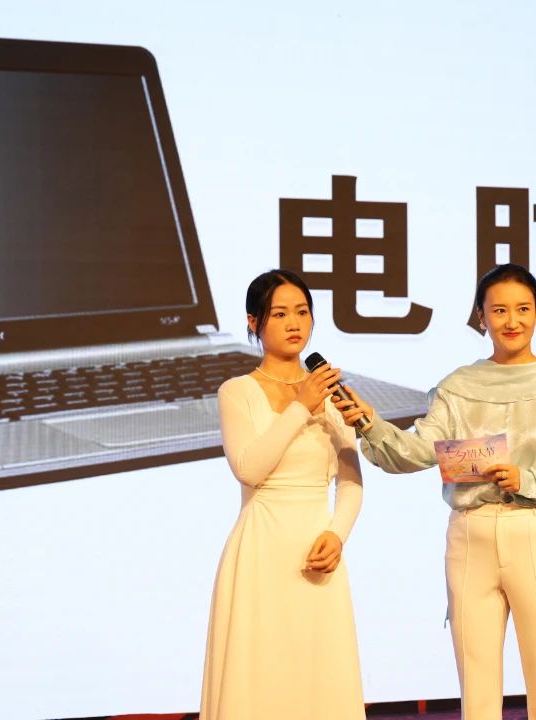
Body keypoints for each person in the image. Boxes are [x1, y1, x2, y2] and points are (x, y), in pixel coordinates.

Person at [336, 263, 536, 720]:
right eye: (499, 310)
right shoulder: (457, 387)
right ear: (481, 316)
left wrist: (527, 480)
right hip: (469, 535)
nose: (512, 321)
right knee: (476, 687)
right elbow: (416, 452)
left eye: (523, 309)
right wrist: (369, 422)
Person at [199, 269, 365, 720]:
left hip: (318, 549)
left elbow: (351, 481)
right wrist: (301, 405)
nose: (294, 323)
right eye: (279, 314)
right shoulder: (237, 391)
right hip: (261, 551)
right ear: (254, 322)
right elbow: (249, 469)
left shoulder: (331, 393)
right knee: (260, 675)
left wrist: (337, 534)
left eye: (302, 312)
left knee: (319, 672)